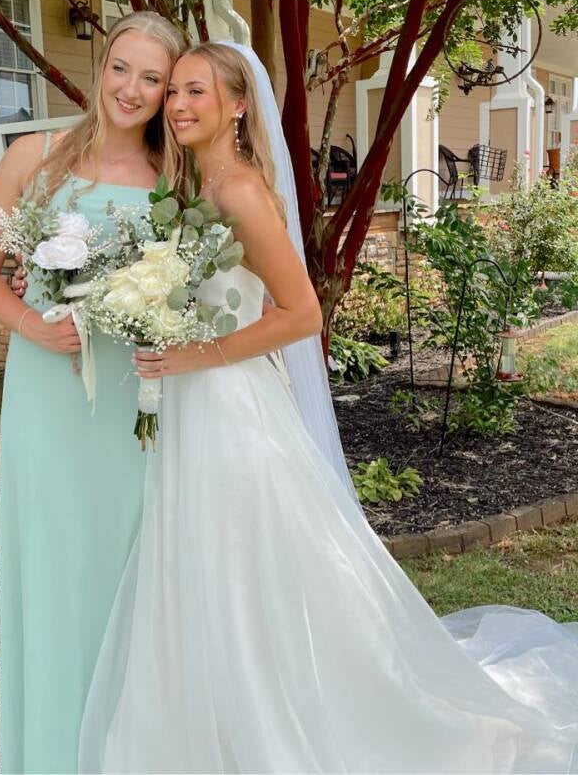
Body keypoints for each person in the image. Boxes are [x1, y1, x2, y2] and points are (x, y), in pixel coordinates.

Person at [77, 42, 578, 773]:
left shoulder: (239, 192)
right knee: (202, 565)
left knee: (236, 567)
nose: (178, 105)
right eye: (173, 91)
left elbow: (302, 314)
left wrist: (196, 354)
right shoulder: (192, 184)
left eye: (195, 91)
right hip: (189, 404)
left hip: (229, 410)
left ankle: (272, 720)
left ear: (237, 105)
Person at [0, 12, 186, 774]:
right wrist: (33, 323)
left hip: (131, 395)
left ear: (167, 92)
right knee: (53, 557)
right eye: (122, 68)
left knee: (128, 557)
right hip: (47, 391)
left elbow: (196, 279)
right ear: (101, 66)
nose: (131, 89)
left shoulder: (174, 177)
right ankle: (53, 750)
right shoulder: (36, 155)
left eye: (152, 79)